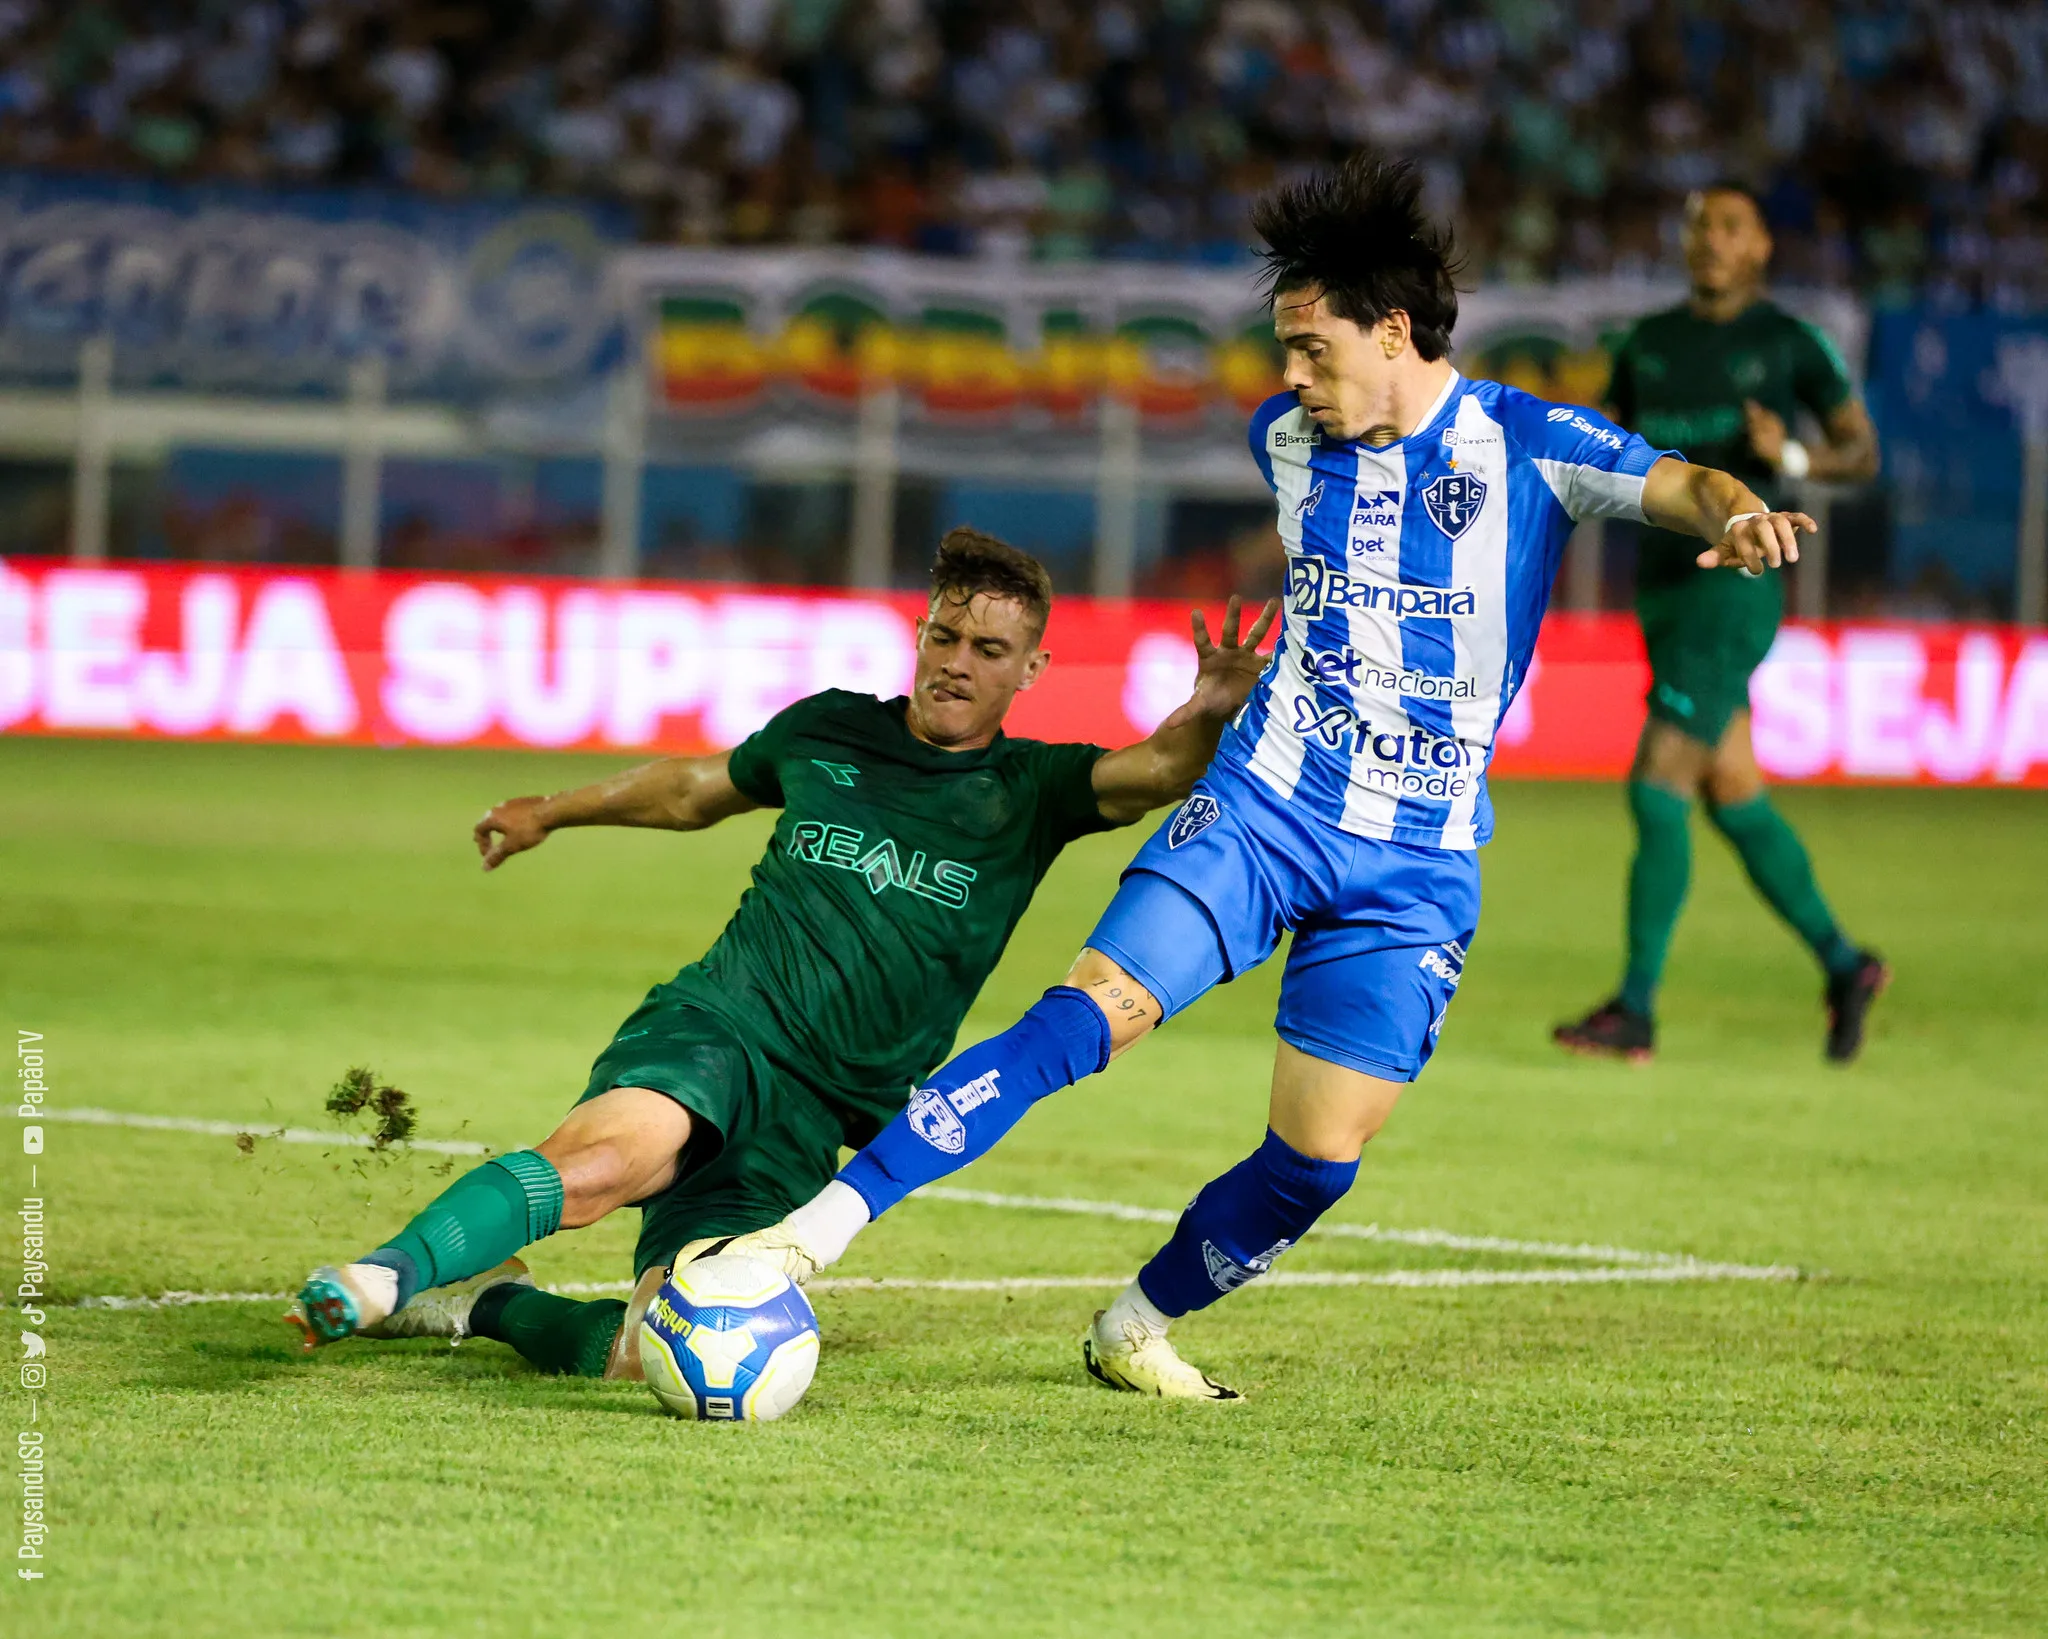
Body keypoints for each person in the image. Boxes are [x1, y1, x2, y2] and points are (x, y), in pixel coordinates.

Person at [712, 155, 1822, 1401]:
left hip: (1415, 861)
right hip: (1264, 808)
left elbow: (1680, 481)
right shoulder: (1285, 440)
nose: (1287, 377)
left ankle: (1134, 1324)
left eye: (1309, 346)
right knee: (1088, 1015)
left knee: (1317, 1158)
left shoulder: (1527, 443)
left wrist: (1736, 516)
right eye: (1281, 348)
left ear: (1390, 329)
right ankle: (803, 1237)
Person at [285, 527, 1276, 1378]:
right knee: (597, 1166)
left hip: (816, 1117)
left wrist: (1210, 703)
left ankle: (480, 1301)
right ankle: (382, 1276)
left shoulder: (1031, 790)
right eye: (943, 634)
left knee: (658, 1345)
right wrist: (553, 809)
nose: (956, 662)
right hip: (722, 1026)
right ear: (918, 632)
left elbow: (1155, 770)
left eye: (988, 647)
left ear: (1030, 669)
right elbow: (690, 791)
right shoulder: (831, 727)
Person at [1553, 183, 1888, 1065]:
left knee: (1657, 778)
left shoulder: (1786, 342)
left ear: (1762, 248)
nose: (1709, 240)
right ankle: (1845, 964)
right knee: (1732, 790)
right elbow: (1605, 449)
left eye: (1730, 227)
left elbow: (1861, 451)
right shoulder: (1648, 346)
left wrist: (1793, 456)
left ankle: (1635, 1010)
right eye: (1700, 224)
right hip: (1662, 590)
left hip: (1734, 587)